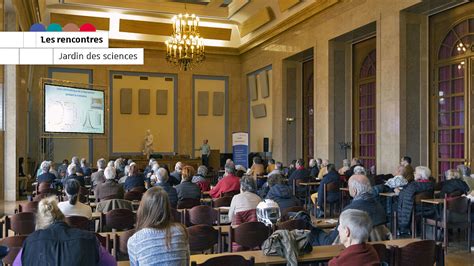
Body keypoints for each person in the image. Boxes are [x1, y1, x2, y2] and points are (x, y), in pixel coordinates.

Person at [14, 197, 115, 265]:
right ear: (63, 218)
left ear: (40, 223)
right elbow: (111, 263)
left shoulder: (30, 242)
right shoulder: (89, 239)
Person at [310, 174, 387, 246]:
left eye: (349, 186)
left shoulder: (350, 210)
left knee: (314, 234)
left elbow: (332, 241)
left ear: (354, 191)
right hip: (375, 248)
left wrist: (315, 230)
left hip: (352, 247)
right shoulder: (380, 206)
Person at [127, 186, 189, 265]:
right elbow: (187, 263)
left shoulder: (134, 241)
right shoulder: (181, 231)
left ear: (143, 209)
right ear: (167, 207)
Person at [397, 166, 435, 235]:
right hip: (428, 207)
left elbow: (405, 197)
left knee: (395, 206)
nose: (414, 173)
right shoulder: (431, 184)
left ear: (420, 175)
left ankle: (401, 229)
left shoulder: (413, 185)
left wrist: (399, 192)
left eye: (415, 172)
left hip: (416, 209)